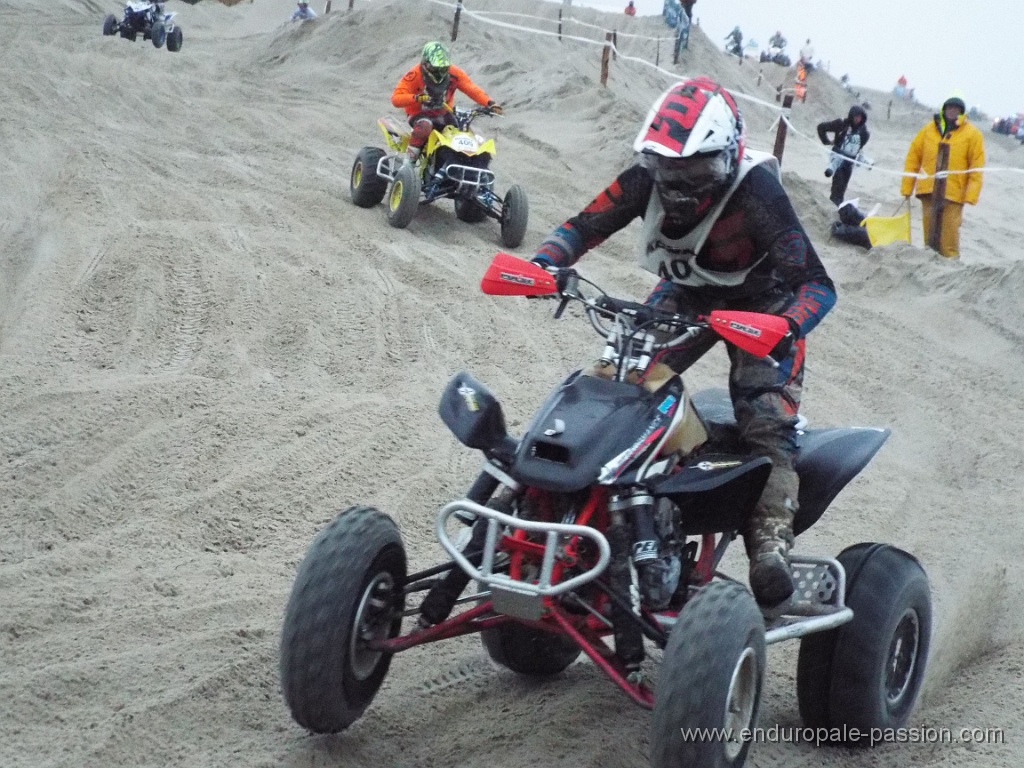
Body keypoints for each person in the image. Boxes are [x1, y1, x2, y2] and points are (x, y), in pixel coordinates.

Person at [530, 77, 836, 608]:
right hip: (686, 293)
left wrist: (786, 327)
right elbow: (582, 226)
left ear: (728, 154)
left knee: (769, 426)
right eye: (668, 168)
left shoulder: (756, 191)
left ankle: (769, 549)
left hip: (762, 307)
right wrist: (543, 263)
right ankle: (593, 520)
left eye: (696, 169)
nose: (679, 183)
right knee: (621, 387)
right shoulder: (645, 179)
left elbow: (817, 284)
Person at [900, 94, 985, 258]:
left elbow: (976, 166)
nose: (952, 111)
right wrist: (907, 186)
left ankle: (950, 265)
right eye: (949, 108)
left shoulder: (972, 134)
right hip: (928, 189)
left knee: (949, 237)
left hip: (954, 193)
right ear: (944, 109)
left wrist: (971, 195)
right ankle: (928, 262)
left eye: (956, 109)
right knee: (929, 233)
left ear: (961, 112)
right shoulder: (928, 129)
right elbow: (913, 157)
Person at [391, 41, 502, 165]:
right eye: (435, 68)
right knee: (425, 126)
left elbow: (471, 88)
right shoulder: (414, 74)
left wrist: (489, 103)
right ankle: (408, 163)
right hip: (418, 113)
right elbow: (396, 98)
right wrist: (417, 98)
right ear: (425, 63)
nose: (439, 72)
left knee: (462, 132)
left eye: (443, 68)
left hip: (443, 113)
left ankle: (460, 166)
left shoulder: (455, 73)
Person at [817, 105, 870, 206]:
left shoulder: (864, 132)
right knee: (837, 186)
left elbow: (860, 146)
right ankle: (833, 206)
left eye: (860, 117)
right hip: (838, 157)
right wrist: (827, 141)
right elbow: (821, 127)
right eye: (856, 116)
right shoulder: (841, 124)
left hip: (850, 162)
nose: (857, 119)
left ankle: (837, 206)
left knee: (842, 188)